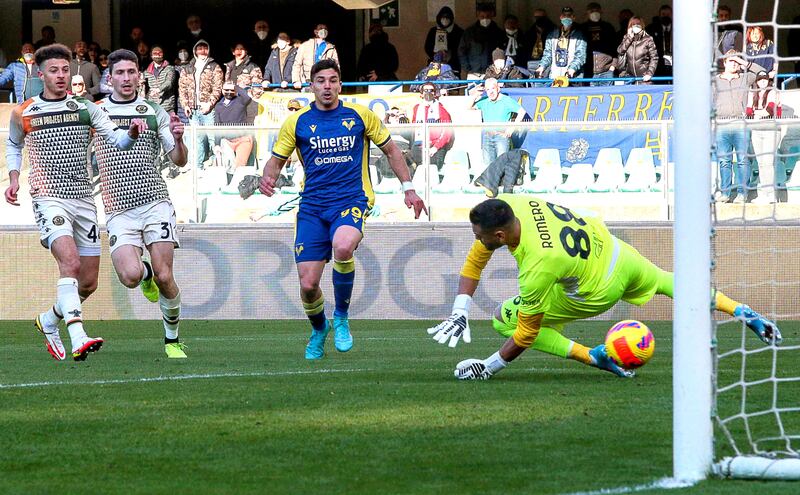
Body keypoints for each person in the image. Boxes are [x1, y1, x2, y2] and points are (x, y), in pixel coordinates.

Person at [428, 195, 782, 381]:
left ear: (500, 235)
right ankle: (742, 311)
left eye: (480, 236)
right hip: (616, 251)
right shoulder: (510, 204)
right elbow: (478, 255)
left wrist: (488, 367)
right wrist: (460, 309)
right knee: (667, 281)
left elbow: (524, 335)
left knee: (506, 320)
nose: (476, 240)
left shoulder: (538, 264)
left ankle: (592, 355)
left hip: (596, 290)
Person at [258, 59, 427, 360]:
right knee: (308, 284)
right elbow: (276, 160)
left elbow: (391, 150)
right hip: (311, 207)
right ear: (311, 85)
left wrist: (409, 189)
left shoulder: (359, 115)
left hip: (351, 200)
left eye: (333, 80)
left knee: (344, 246)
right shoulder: (296, 122)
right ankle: (320, 327)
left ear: (339, 84)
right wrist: (267, 177)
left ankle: (342, 317)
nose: (327, 86)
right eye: (321, 80)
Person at [4, 43, 145, 362]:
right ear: (41, 74)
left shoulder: (87, 108)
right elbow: (13, 145)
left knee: (88, 282)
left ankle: (49, 321)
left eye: (65, 69)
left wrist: (132, 133)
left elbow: (117, 140)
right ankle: (78, 335)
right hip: (47, 196)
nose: (61, 75)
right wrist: (14, 178)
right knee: (69, 262)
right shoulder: (24, 111)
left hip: (83, 200)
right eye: (54, 70)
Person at [92, 49, 189, 358]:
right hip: (118, 208)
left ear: (139, 75)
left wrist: (180, 138)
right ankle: (145, 274)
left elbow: (179, 159)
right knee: (131, 276)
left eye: (131, 72)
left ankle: (172, 340)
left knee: (165, 276)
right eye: (119, 73)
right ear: (109, 78)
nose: (126, 78)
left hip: (154, 202)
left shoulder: (154, 111)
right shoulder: (96, 112)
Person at [713, 50, 755, 203]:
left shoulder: (745, 78)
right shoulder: (715, 80)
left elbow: (759, 72)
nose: (735, 64)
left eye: (737, 61)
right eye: (731, 61)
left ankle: (742, 193)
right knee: (724, 160)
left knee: (743, 160)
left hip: (740, 123)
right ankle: (725, 193)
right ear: (724, 63)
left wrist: (742, 61)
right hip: (721, 124)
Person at [178, 39, 223, 169]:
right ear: (195, 51)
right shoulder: (188, 68)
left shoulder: (215, 66)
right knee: (196, 139)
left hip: (208, 108)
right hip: (193, 109)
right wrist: (186, 105)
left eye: (205, 48)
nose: (202, 51)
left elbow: (217, 87)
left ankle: (216, 166)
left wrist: (210, 103)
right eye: (200, 49)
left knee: (212, 138)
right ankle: (197, 167)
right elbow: (182, 88)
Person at [470, 77, 527, 167]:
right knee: (488, 166)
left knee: (501, 165)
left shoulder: (506, 100)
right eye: (488, 89)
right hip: (487, 136)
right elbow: (469, 109)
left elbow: (522, 112)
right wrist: (474, 96)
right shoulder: (484, 101)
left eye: (493, 88)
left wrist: (511, 128)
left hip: (501, 136)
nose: (491, 92)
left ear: (498, 89)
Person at [747, 71, 781, 204]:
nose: (762, 82)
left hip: (771, 130)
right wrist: (756, 113)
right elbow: (749, 111)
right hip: (757, 130)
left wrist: (757, 113)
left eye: (765, 80)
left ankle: (770, 194)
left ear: (768, 81)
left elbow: (769, 110)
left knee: (767, 162)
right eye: (760, 80)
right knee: (760, 163)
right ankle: (764, 193)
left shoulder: (773, 91)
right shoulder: (753, 93)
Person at [410, 81, 453, 174]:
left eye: (431, 90)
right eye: (426, 90)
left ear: (435, 93)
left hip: (434, 149)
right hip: (418, 146)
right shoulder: (416, 108)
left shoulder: (441, 110)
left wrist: (435, 147)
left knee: (430, 172)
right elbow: (413, 128)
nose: (428, 92)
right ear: (421, 94)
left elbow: (447, 133)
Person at [535, 7, 587, 80]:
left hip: (573, 78)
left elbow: (580, 56)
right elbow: (548, 54)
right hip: (555, 77)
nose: (566, 18)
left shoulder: (579, 35)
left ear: (574, 17)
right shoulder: (552, 35)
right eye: (564, 15)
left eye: (569, 15)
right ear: (560, 17)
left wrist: (572, 69)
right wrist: (541, 67)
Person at [458, 3, 505, 78]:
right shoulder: (469, 32)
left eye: (488, 16)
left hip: (493, 73)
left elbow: (502, 52)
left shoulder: (498, 33)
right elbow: (462, 51)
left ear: (492, 15)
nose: (485, 19)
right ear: (478, 16)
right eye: (482, 16)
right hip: (474, 72)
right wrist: (467, 68)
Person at [292, 23, 339, 90]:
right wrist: (296, 80)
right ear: (315, 31)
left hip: (325, 82)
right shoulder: (305, 46)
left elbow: (336, 66)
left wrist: (335, 81)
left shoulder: (331, 48)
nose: (323, 31)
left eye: (325, 29)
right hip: (308, 82)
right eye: (321, 29)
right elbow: (297, 64)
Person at [582, 2, 617, 85]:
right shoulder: (583, 28)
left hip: (606, 71)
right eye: (592, 11)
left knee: (607, 96)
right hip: (588, 71)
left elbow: (616, 48)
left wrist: (613, 66)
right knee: (589, 97)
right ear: (587, 13)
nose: (594, 13)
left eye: (597, 10)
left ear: (601, 12)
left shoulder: (608, 27)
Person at [616, 17, 658, 84]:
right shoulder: (626, 38)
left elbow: (654, 57)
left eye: (638, 24)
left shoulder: (648, 39)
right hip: (630, 79)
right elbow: (620, 51)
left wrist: (649, 73)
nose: (636, 26)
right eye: (633, 24)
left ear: (642, 25)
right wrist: (629, 38)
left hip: (644, 79)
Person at [424, 6, 463, 75]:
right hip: (435, 63)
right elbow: (427, 47)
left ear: (451, 18)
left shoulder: (458, 31)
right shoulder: (433, 31)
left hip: (453, 64)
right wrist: (436, 55)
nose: (445, 19)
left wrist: (449, 54)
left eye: (447, 17)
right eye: (443, 17)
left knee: (453, 84)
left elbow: (461, 48)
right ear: (439, 18)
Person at [143, 45, 177, 113]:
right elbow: (143, 87)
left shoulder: (170, 69)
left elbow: (169, 83)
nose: (158, 55)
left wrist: (158, 89)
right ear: (151, 55)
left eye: (160, 53)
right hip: (152, 107)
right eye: (155, 53)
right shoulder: (147, 72)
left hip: (167, 107)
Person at [645, 5, 673, 83]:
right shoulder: (651, 29)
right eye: (663, 14)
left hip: (676, 64)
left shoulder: (680, 28)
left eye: (668, 14)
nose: (666, 16)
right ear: (659, 15)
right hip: (658, 65)